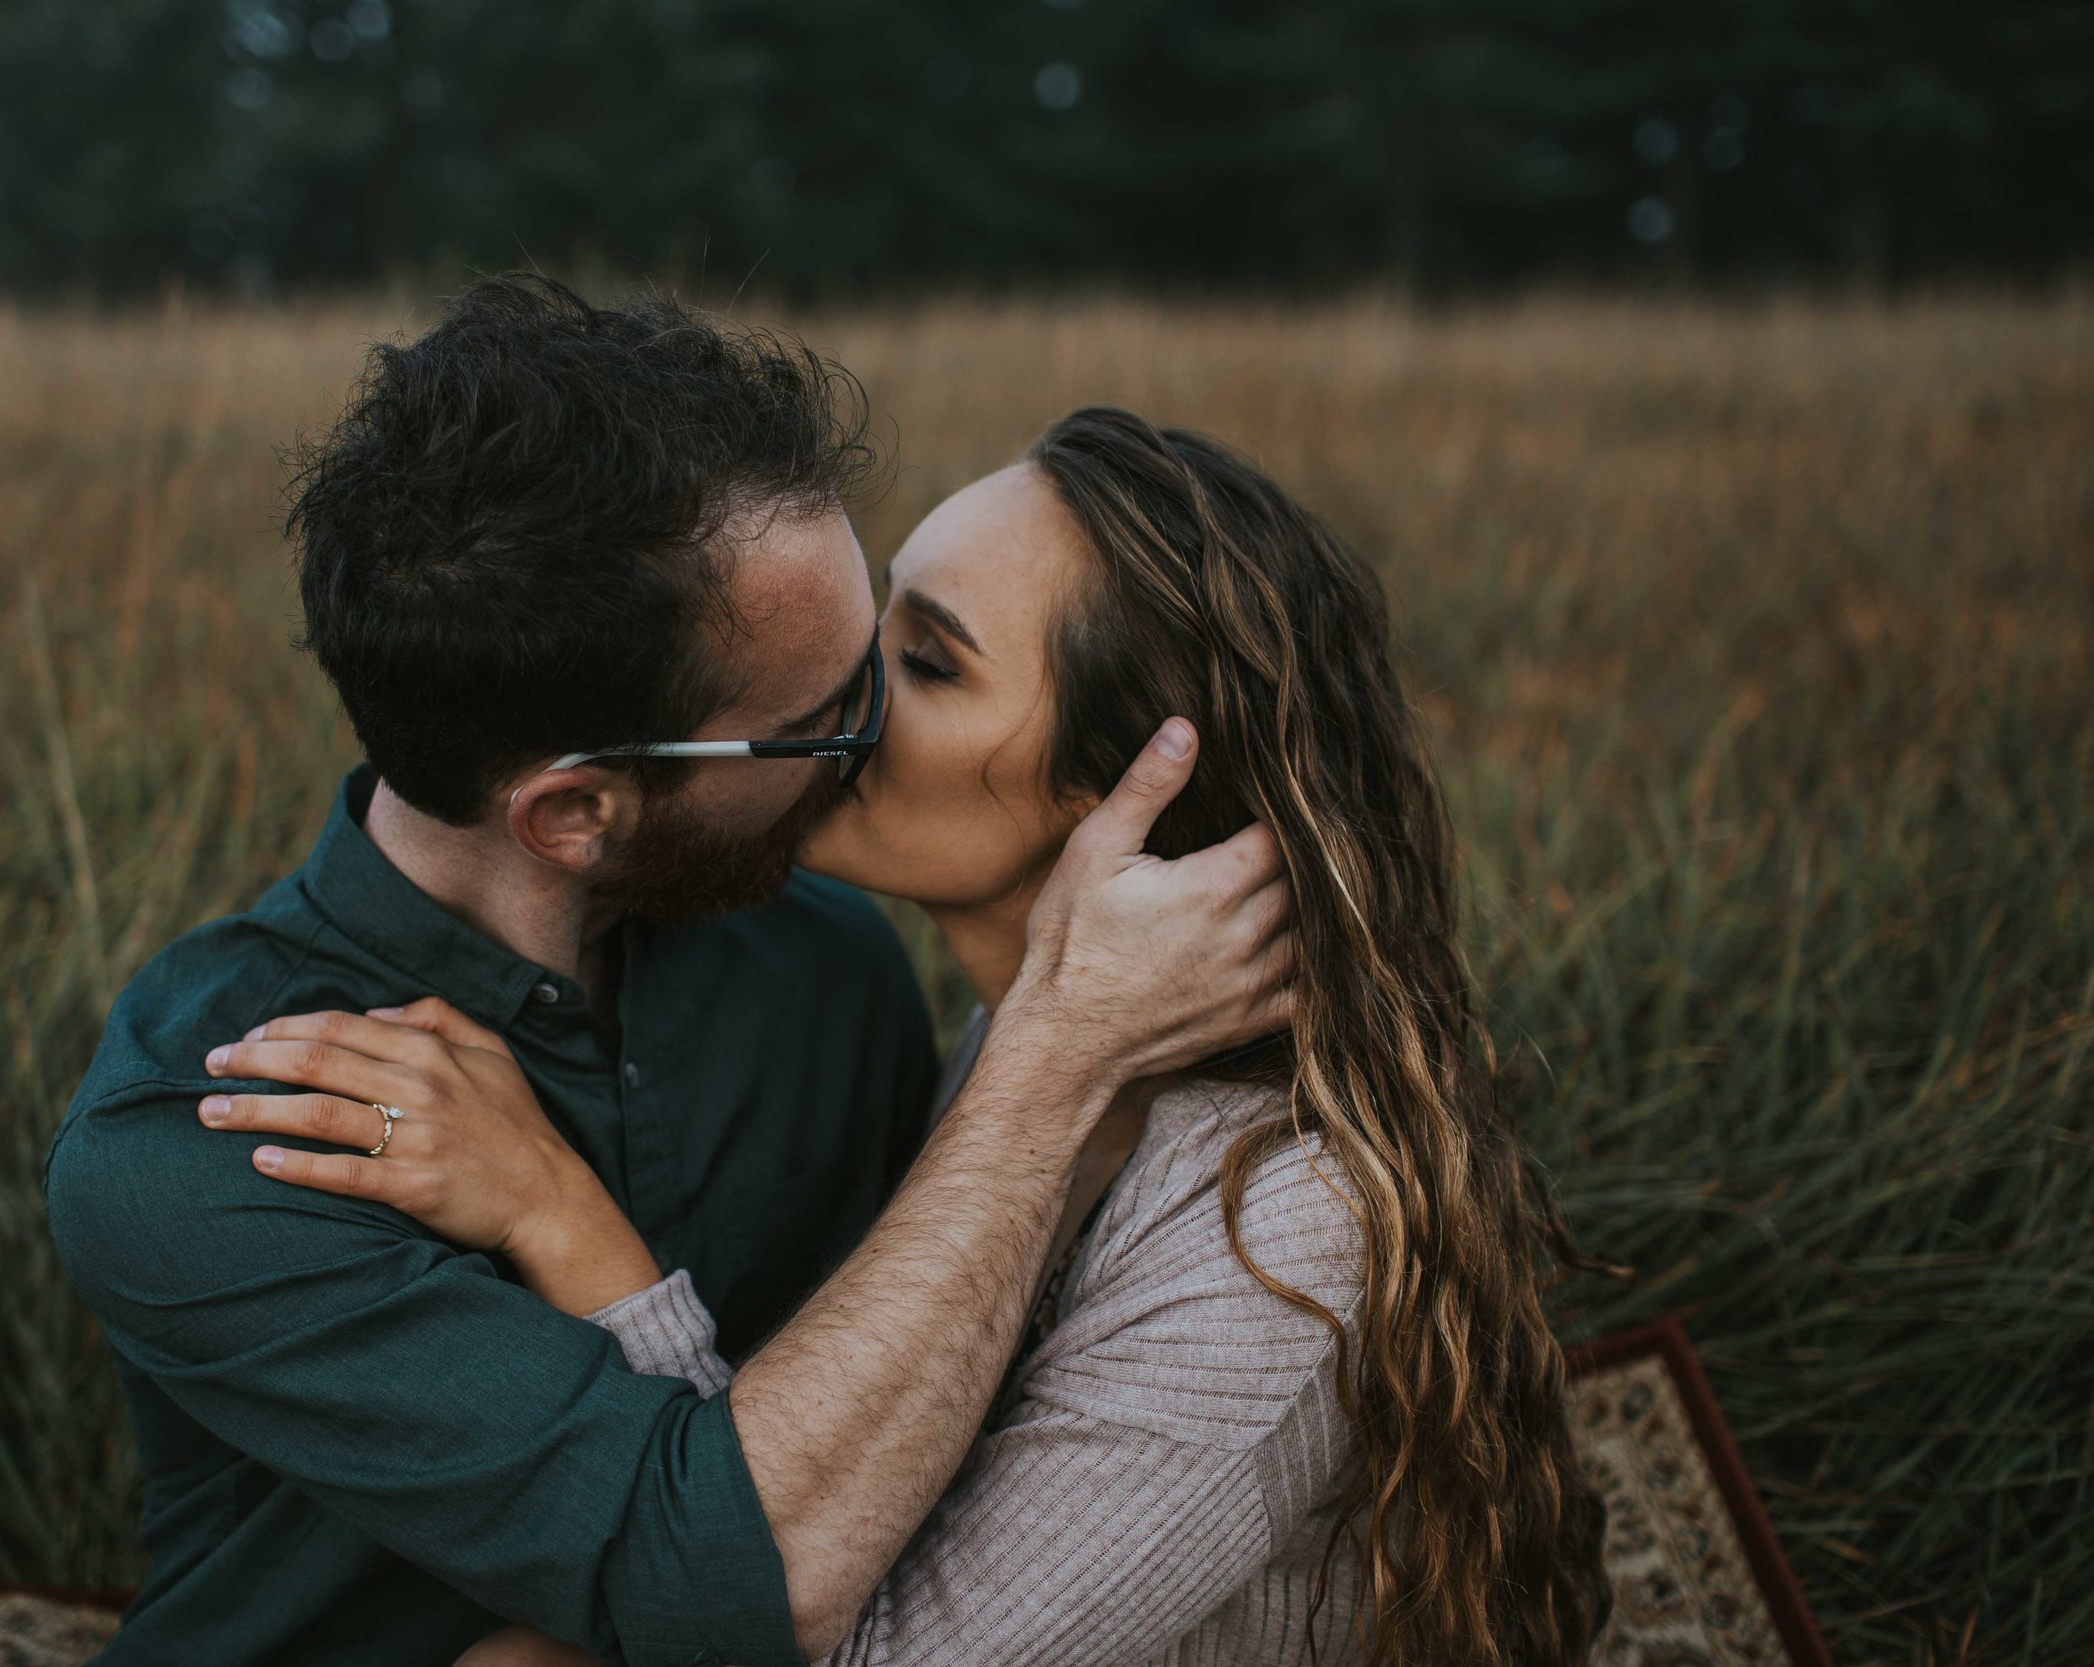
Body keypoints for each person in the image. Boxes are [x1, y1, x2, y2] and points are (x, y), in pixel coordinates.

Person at [199, 407, 1626, 1666]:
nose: (839, 690)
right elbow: (864, 1479)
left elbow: (788, 1634)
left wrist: (560, 1219)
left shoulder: (1280, 1240)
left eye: (928, 663)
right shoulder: (1020, 1041)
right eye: (879, 615)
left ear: (1114, 795)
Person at [44, 277, 1297, 1667]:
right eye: (826, 720)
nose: (872, 736)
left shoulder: (828, 965)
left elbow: (907, 1441)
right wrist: (1054, 1056)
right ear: (577, 812)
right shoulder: (213, 1134)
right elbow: (720, 1578)